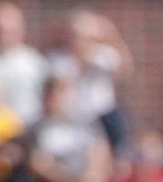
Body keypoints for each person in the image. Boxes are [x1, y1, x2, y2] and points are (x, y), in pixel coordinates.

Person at [27, 76, 111, 182]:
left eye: (62, 94)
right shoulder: (37, 128)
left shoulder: (86, 124)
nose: (58, 100)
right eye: (52, 95)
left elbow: (100, 153)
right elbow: (38, 165)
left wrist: (91, 179)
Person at [51, 9, 131, 152]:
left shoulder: (103, 54)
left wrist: (111, 34)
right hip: (73, 120)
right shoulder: (59, 60)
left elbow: (124, 71)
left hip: (103, 118)